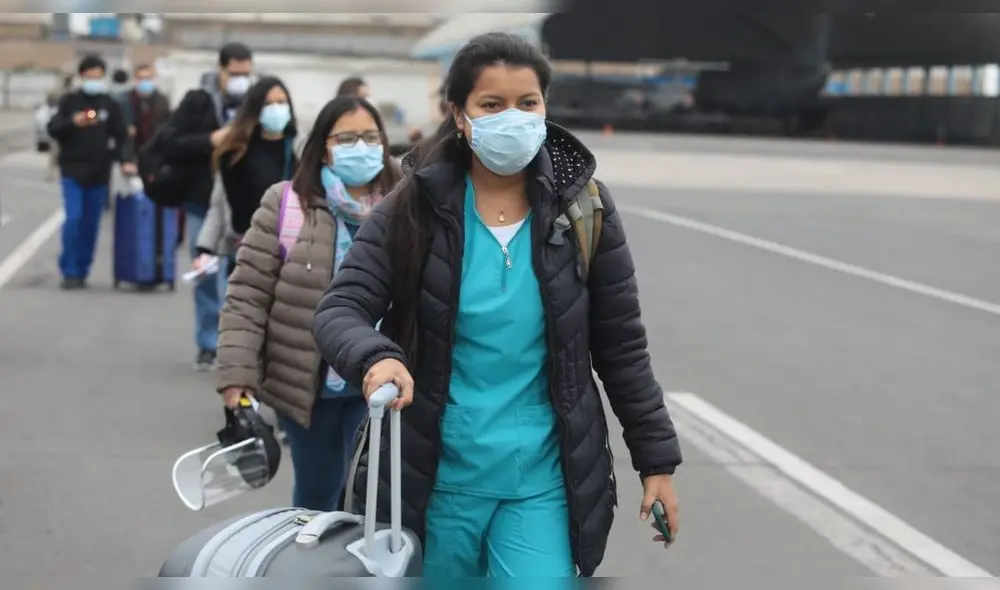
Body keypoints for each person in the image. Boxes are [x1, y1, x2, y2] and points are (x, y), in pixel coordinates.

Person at [312, 32, 682, 577]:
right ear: (459, 115)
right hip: (434, 481)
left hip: (542, 482)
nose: (513, 117)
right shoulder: (412, 207)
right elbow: (339, 308)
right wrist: (376, 357)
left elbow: (622, 347)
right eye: (492, 104)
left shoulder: (585, 209)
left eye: (527, 103)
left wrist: (657, 464)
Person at [215, 96, 402, 511]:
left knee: (369, 497)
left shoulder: (409, 204)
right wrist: (237, 375)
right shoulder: (285, 203)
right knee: (316, 495)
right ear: (323, 145)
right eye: (347, 137)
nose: (361, 146)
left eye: (370, 137)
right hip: (305, 388)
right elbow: (247, 295)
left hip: (384, 382)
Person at [164, 42, 254, 371]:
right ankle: (207, 344)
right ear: (221, 69)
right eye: (235, 73)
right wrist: (210, 140)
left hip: (244, 208)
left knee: (242, 282)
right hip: (203, 204)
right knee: (206, 275)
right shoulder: (197, 101)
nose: (241, 80)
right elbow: (170, 143)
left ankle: (237, 347)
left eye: (246, 73)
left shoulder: (256, 104)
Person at [47, 54, 133, 290]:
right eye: (90, 76)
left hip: (99, 172)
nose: (94, 80)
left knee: (90, 224)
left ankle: (82, 269)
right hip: (72, 170)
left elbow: (122, 136)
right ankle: (69, 269)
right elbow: (53, 128)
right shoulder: (69, 102)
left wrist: (126, 160)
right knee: (74, 219)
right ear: (81, 76)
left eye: (98, 76)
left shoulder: (109, 104)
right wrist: (73, 123)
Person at [215, 76, 298, 238]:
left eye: (281, 102)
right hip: (253, 241)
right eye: (268, 103)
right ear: (256, 109)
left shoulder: (300, 147)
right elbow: (231, 207)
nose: (276, 109)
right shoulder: (237, 153)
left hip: (294, 243)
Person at [45, 73, 74, 182]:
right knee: (55, 150)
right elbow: (49, 101)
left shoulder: (72, 92)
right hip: (60, 123)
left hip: (70, 124)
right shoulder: (58, 91)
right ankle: (52, 172)